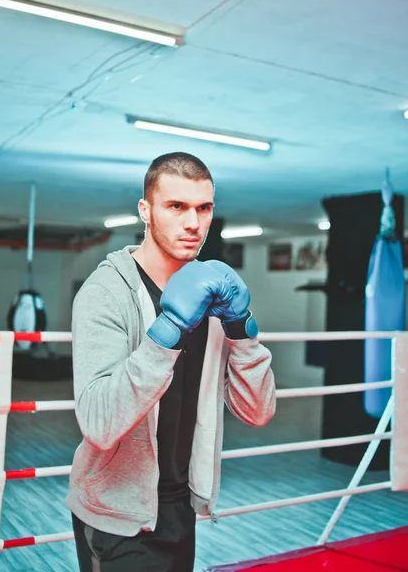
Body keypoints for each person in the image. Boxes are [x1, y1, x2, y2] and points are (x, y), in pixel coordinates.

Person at [65, 152, 276, 572]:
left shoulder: (213, 292)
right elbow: (99, 425)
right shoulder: (106, 293)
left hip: (181, 505)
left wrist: (240, 331)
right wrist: (169, 332)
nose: (193, 223)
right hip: (117, 512)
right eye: (176, 206)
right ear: (145, 210)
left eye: (203, 208)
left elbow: (258, 411)